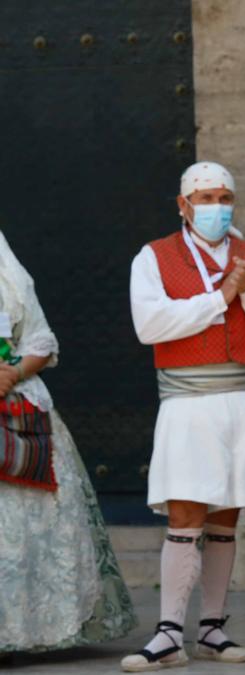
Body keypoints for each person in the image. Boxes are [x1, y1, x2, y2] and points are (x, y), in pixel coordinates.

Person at [124, 161, 245, 671]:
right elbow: (150, 323)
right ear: (183, 205)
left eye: (224, 197)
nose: (216, 207)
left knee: (228, 515)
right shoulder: (154, 257)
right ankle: (167, 633)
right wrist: (219, 297)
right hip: (188, 401)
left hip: (244, 398)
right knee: (185, 515)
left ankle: (212, 628)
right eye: (204, 198)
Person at [0, 231, 137, 654]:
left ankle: (26, 634)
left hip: (15, 417)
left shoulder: (8, 275)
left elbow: (41, 340)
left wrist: (11, 372)